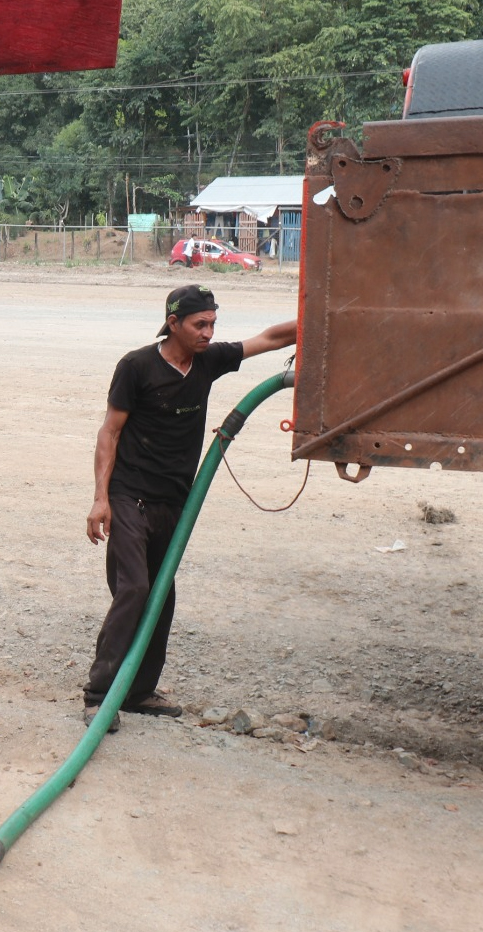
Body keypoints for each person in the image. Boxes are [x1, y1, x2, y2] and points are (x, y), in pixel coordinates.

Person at [82, 285, 296, 729]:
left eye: (213, 323)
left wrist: (329, 325)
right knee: (135, 588)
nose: (208, 332)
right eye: (200, 324)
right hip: (128, 497)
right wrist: (101, 499)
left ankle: (137, 693)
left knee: (163, 595)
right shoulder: (136, 366)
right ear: (173, 323)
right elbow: (109, 433)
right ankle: (99, 694)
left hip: (173, 502)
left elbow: (271, 339)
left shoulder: (207, 361)